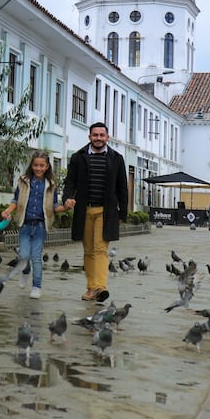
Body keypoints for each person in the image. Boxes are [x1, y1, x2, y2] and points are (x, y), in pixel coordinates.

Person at [61, 121, 129, 303]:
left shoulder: (117, 159)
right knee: (88, 250)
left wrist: (123, 213)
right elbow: (70, 182)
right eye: (95, 135)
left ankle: (100, 287)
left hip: (105, 212)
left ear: (107, 137)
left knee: (100, 249)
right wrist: (66, 198)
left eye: (102, 135)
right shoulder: (78, 157)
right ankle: (91, 289)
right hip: (84, 210)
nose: (98, 138)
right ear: (89, 137)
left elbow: (122, 187)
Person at [2, 151, 63, 299]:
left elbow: (55, 205)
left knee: (36, 257)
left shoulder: (51, 184)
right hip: (25, 224)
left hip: (41, 226)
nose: (38, 168)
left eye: (42, 165)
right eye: (36, 165)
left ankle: (36, 286)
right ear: (32, 165)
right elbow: (16, 200)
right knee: (23, 255)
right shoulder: (24, 180)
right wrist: (7, 211)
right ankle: (25, 271)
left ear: (47, 166)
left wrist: (66, 207)